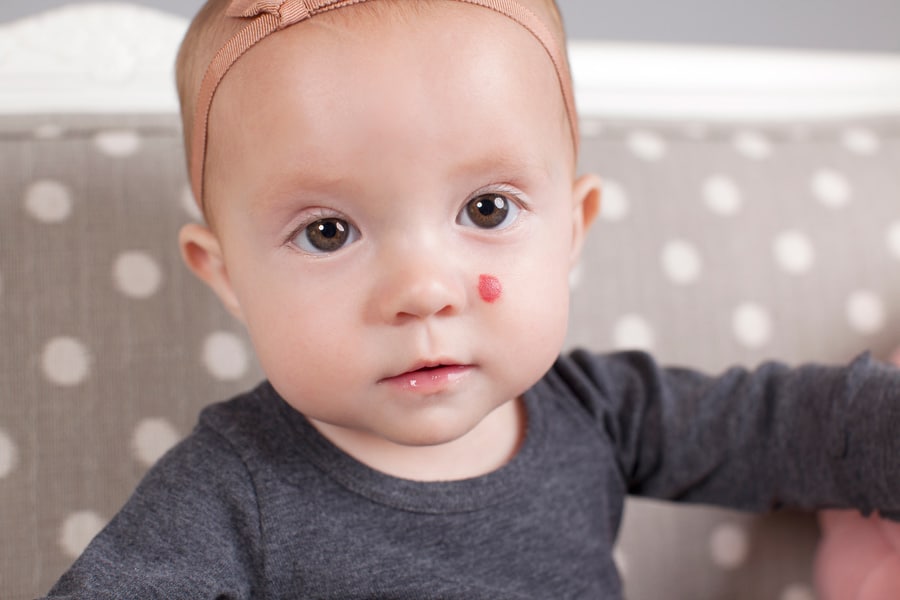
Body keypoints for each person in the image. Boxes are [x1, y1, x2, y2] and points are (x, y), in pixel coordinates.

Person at [44, 0, 900, 597]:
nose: (422, 292)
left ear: (572, 226)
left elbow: (796, 424)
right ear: (226, 273)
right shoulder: (232, 489)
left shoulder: (596, 411)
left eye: (486, 210)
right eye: (328, 232)